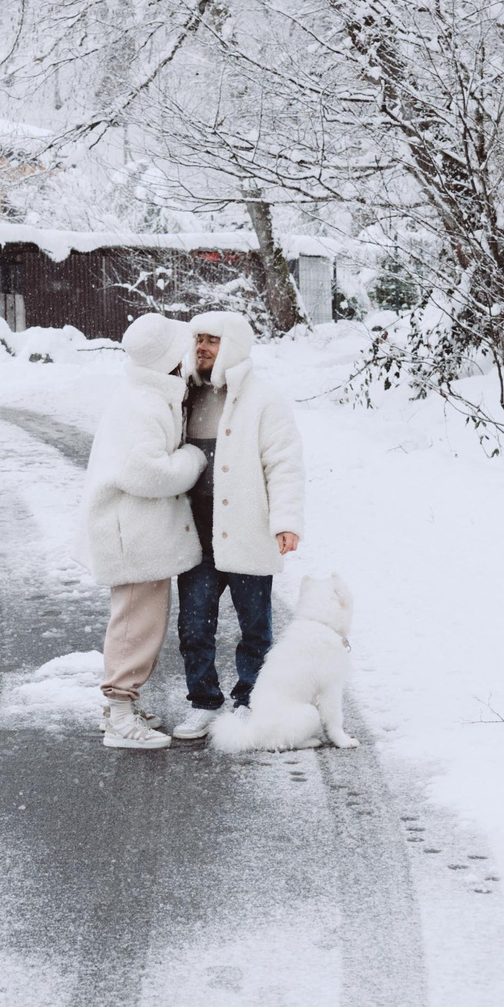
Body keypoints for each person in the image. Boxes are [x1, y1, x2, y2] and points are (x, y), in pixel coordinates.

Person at [168, 308, 304, 741]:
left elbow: (283, 464)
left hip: (248, 529)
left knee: (255, 628)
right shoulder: (183, 395)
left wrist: (286, 521)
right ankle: (204, 701)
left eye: (213, 340)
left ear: (234, 346)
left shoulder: (264, 400)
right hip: (196, 533)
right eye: (199, 339)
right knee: (194, 626)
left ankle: (250, 700)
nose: (202, 348)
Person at [81, 314, 207, 749]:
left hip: (136, 528)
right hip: (132, 532)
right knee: (136, 623)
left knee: (140, 620)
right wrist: (193, 459)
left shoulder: (148, 393)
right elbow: (147, 472)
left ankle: (119, 708)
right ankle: (119, 716)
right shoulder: (145, 404)